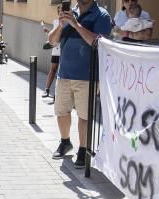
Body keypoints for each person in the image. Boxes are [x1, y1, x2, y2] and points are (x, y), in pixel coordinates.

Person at [48, 0, 111, 168]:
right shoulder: (69, 13)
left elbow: (98, 43)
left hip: (87, 76)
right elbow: (52, 41)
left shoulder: (101, 16)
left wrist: (76, 25)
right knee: (61, 112)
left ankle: (83, 150)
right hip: (65, 73)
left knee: (84, 116)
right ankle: (65, 142)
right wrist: (61, 25)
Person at [40, 14, 60, 98]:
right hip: (55, 50)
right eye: (59, 11)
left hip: (64, 50)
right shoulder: (55, 22)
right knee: (53, 69)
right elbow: (54, 35)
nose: (60, 13)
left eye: (62, 10)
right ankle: (47, 90)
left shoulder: (68, 22)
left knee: (61, 73)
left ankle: (57, 94)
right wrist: (48, 31)